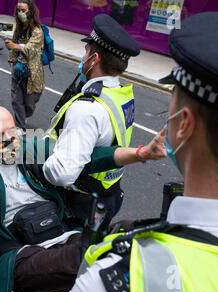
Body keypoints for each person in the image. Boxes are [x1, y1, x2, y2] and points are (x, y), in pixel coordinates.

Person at [50, 12, 218, 292]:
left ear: (184, 124)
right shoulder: (119, 94)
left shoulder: (118, 280)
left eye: (172, 100)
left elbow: (64, 170)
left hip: (81, 199)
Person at [0, 105, 165, 292]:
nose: (9, 139)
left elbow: (87, 159)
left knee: (125, 231)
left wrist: (141, 153)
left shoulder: (29, 148)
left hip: (60, 234)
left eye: (11, 130)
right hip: (20, 254)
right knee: (84, 256)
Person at [43, 14, 141, 230]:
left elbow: (62, 173)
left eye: (86, 51)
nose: (83, 56)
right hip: (108, 194)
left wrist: (40, 159)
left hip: (78, 204)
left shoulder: (87, 109)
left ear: (94, 59)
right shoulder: (120, 94)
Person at [6, 0, 44, 130]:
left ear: (30, 11)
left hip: (32, 74)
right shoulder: (19, 28)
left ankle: (23, 116)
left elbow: (31, 49)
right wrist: (12, 54)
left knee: (29, 105)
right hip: (17, 70)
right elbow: (14, 48)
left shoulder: (37, 31)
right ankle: (19, 128)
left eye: (23, 10)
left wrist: (16, 46)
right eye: (18, 10)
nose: (20, 13)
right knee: (16, 101)